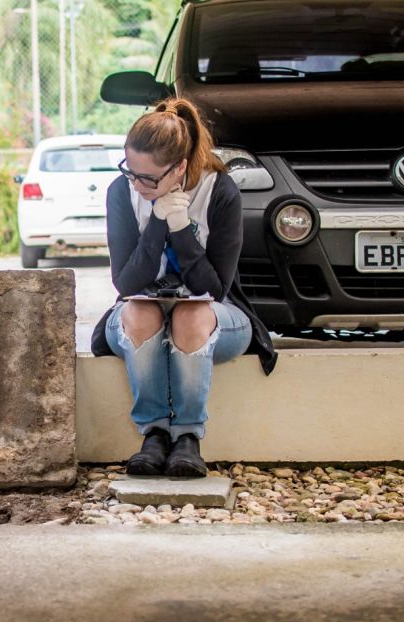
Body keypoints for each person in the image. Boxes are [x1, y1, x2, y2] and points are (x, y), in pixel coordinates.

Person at [91, 97, 277, 478]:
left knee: (191, 314)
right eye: (131, 171)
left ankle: (188, 437)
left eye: (148, 178)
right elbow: (126, 283)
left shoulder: (219, 191)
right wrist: (157, 222)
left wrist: (180, 228)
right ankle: (155, 434)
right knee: (139, 311)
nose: (137, 183)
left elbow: (214, 287)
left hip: (215, 319)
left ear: (178, 168)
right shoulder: (122, 192)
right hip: (139, 314)